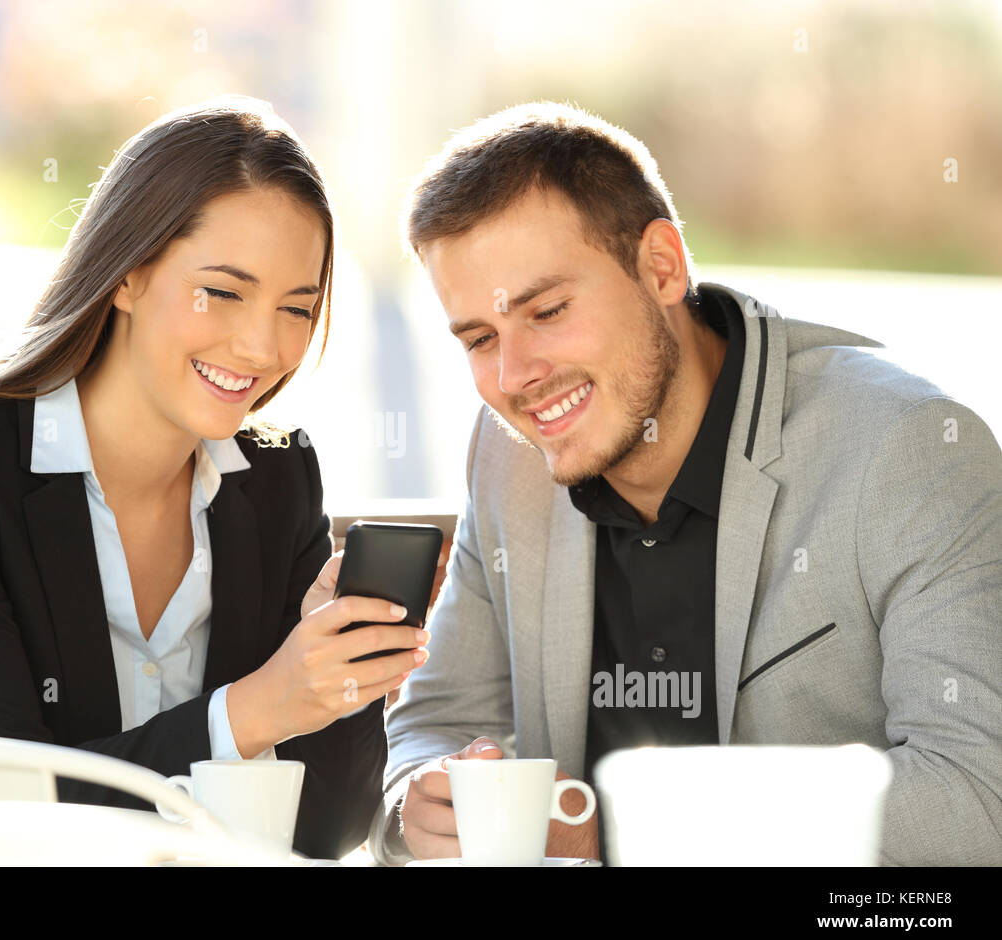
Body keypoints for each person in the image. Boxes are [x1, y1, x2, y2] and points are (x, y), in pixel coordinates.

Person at [0, 97, 428, 861]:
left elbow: (325, 832)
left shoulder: (277, 476)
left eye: (297, 308)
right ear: (126, 275)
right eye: (222, 291)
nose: (261, 345)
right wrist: (253, 712)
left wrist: (334, 686)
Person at [367, 101, 1002, 866]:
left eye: (548, 310)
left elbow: (976, 802)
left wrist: (619, 834)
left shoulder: (907, 449)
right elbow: (437, 722)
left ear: (661, 266)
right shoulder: (508, 457)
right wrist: (421, 805)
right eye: (479, 339)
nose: (514, 378)